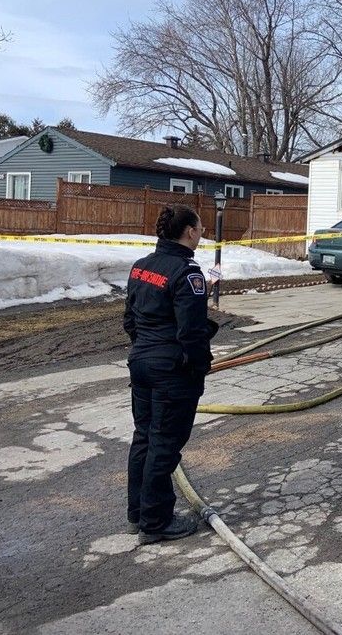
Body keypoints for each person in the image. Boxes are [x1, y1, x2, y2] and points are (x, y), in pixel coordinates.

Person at [123, 204, 218, 543]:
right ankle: (156, 522)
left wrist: (148, 348)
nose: (203, 232)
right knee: (163, 445)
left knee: (144, 438)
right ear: (189, 232)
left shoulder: (141, 267)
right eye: (201, 227)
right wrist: (199, 367)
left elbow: (130, 320)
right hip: (171, 371)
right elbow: (191, 333)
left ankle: (138, 514)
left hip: (142, 362)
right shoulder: (188, 274)